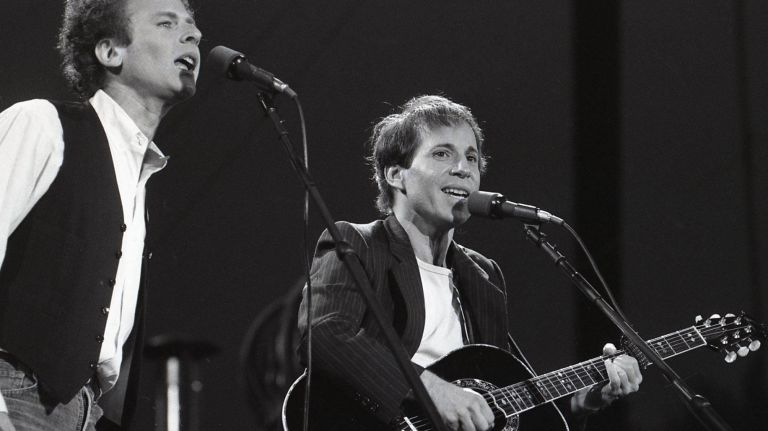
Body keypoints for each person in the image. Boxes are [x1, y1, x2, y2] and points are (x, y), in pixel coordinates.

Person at [297, 95, 643, 430]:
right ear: (395, 175)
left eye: (472, 158)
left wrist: (581, 401)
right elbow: (323, 335)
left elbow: (498, 399)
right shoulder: (357, 244)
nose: (463, 169)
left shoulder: (483, 276)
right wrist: (431, 390)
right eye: (442, 153)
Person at [0, 0, 201, 430]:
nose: (194, 35)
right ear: (111, 52)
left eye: (191, 25)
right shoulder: (42, 123)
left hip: (85, 412)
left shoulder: (139, 177)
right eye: (167, 23)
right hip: (16, 397)